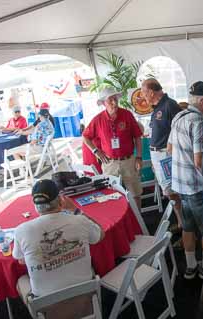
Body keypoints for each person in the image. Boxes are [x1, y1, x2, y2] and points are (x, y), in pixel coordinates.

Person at [13, 179, 105, 315]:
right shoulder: (79, 220)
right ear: (61, 200)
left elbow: (20, 260)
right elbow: (100, 234)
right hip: (85, 298)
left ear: (35, 205)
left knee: (21, 281)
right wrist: (76, 210)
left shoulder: (21, 230)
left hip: (49, 309)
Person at [167, 81, 203, 280]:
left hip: (180, 184)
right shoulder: (200, 122)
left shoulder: (178, 116)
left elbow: (170, 149)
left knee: (188, 226)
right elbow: (201, 161)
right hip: (197, 186)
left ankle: (190, 267)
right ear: (201, 101)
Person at [83, 88, 143, 209]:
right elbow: (85, 136)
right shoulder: (98, 119)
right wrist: (96, 151)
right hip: (109, 163)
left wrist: (139, 157)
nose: (114, 103)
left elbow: (137, 137)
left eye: (115, 99)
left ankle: (139, 221)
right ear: (104, 103)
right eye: (110, 100)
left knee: (135, 194)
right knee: (112, 195)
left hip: (128, 161)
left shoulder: (127, 115)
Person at [141, 78, 183, 229]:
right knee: (169, 191)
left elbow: (180, 131)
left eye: (144, 93)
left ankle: (183, 223)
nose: (144, 97)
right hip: (158, 156)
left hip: (166, 156)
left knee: (173, 191)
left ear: (152, 92)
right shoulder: (158, 107)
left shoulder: (169, 105)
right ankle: (181, 221)